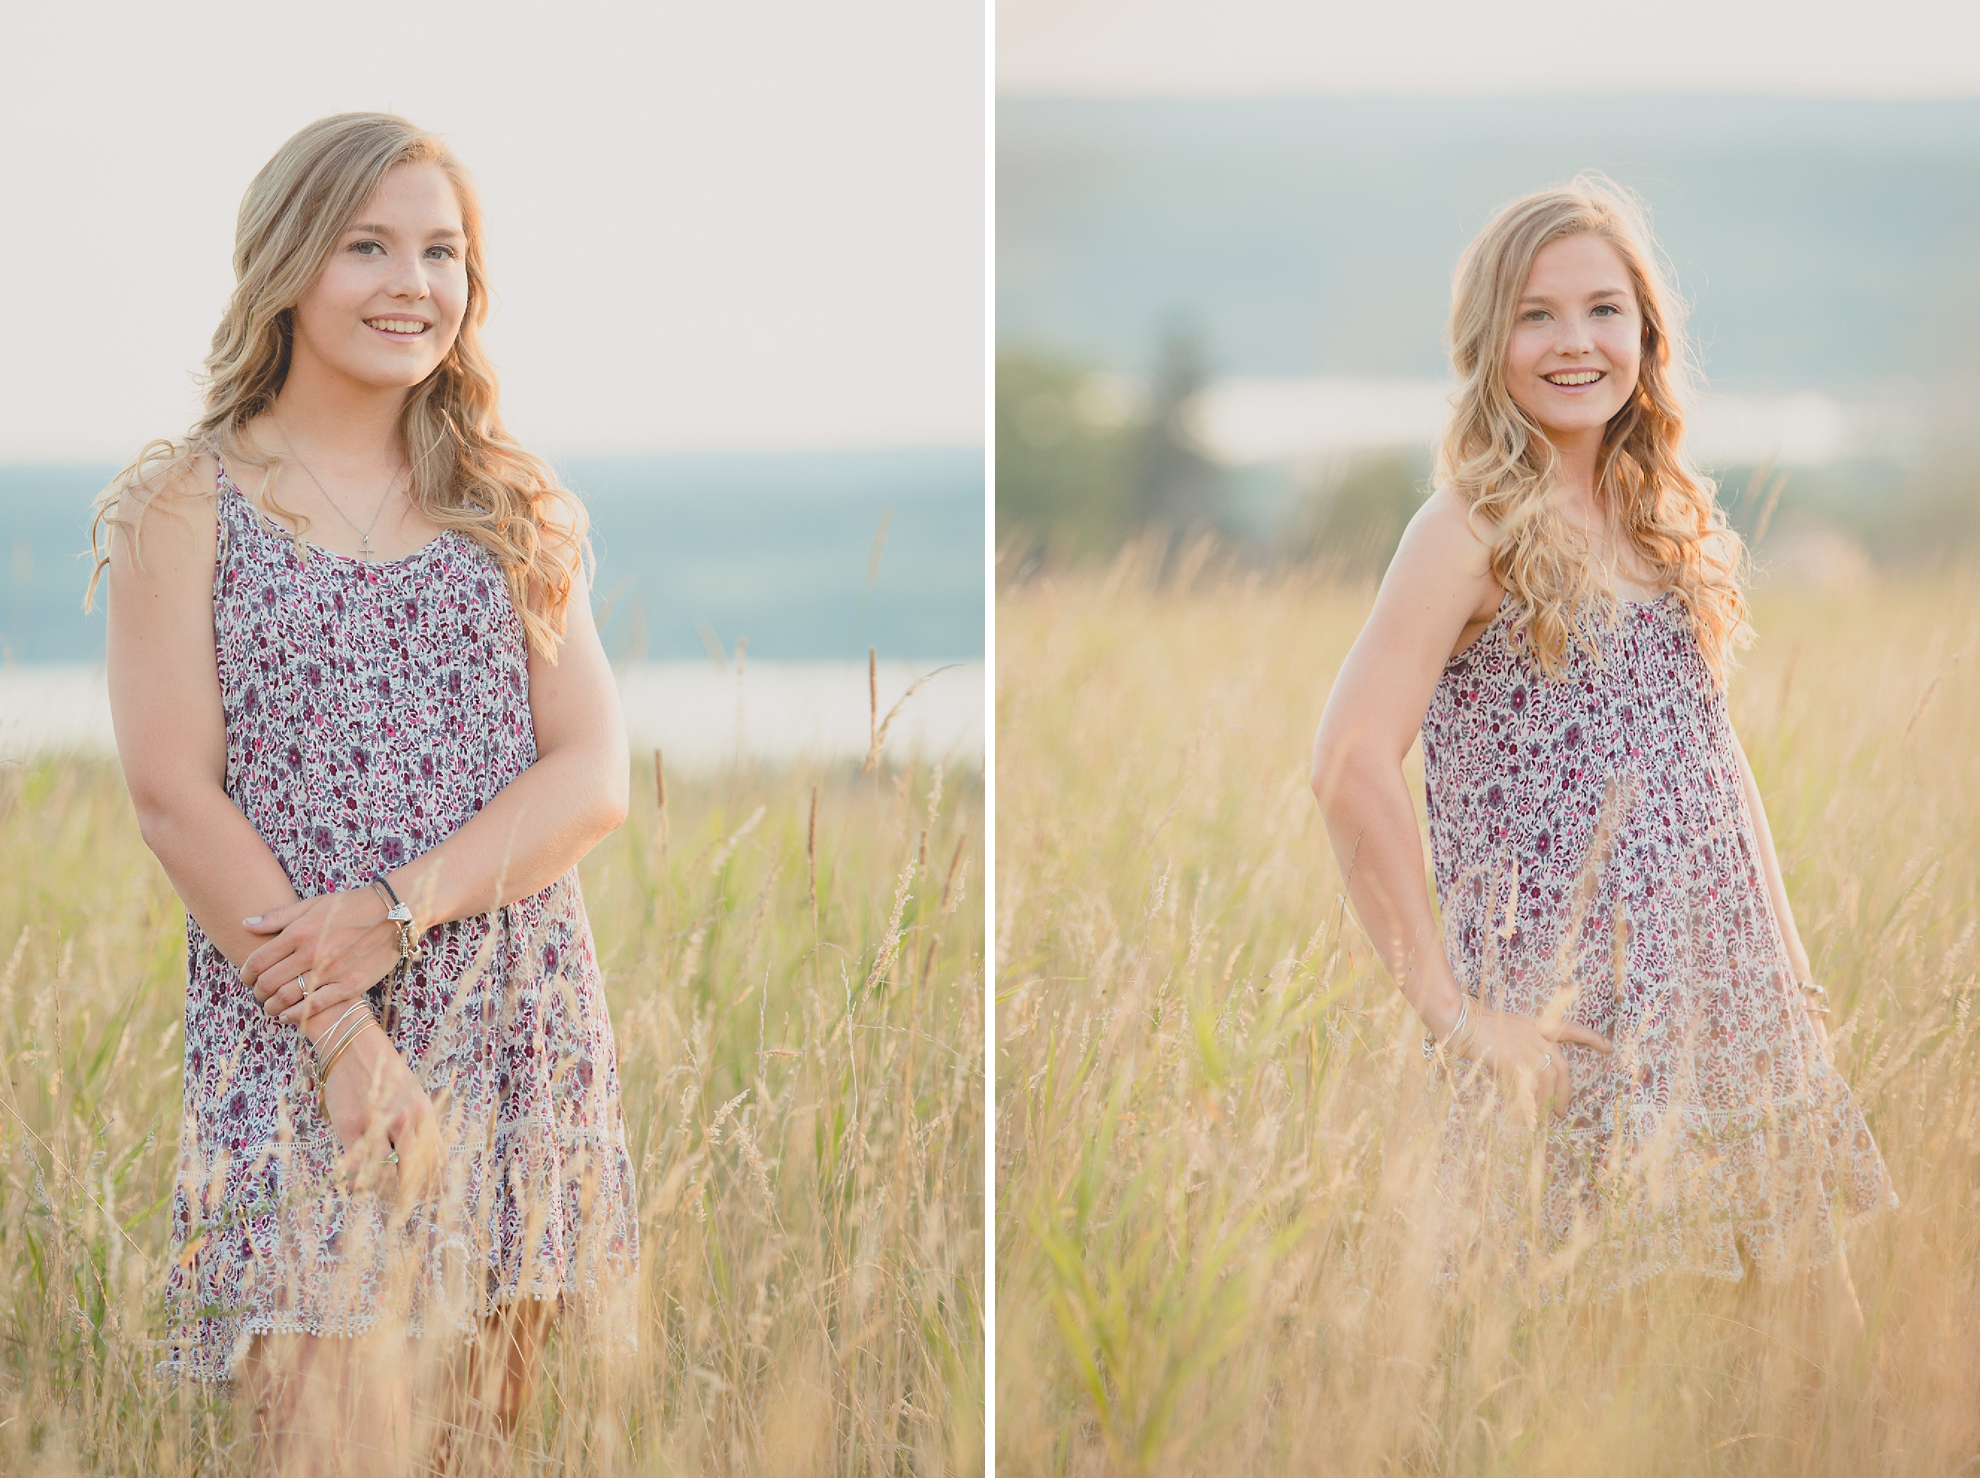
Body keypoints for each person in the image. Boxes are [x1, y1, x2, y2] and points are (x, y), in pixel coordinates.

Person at [91, 113, 637, 1472]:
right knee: (325, 1444)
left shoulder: (512, 500)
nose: (414, 283)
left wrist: (399, 909)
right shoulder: (184, 503)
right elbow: (173, 795)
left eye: (443, 251)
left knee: (475, 1448)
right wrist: (344, 1033)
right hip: (289, 1027)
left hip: (512, 1012)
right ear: (285, 267)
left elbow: (592, 774)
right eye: (368, 246)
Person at [1308, 177, 1894, 1312]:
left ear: (1646, 334)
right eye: (1536, 314)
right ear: (1490, 341)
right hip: (1581, 1032)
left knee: (1817, 1355)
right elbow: (1347, 760)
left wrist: (1789, 971)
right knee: (1610, 1369)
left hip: (1733, 1010)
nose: (1574, 341)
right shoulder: (1467, 525)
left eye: (1603, 310)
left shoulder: (1655, 513)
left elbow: (1712, 766)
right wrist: (1448, 1006)